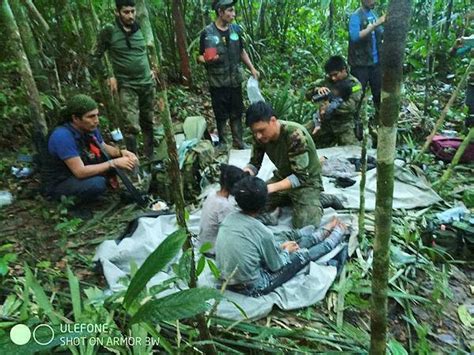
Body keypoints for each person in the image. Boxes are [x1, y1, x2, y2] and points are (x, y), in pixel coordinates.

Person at [215, 176, 347, 297]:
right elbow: (276, 266)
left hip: (228, 281)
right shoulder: (262, 232)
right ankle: (334, 236)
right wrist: (285, 252)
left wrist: (281, 248)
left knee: (288, 244)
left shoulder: (229, 219)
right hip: (252, 286)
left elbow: (252, 247)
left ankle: (321, 234)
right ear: (263, 204)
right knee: (301, 256)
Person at [41, 94, 138, 206]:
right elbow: (80, 172)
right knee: (97, 184)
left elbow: (104, 147)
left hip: (79, 168)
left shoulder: (89, 128)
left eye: (97, 115)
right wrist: (113, 163)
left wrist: (121, 153)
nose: (96, 120)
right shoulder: (62, 136)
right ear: (75, 118)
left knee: (113, 160)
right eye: (91, 117)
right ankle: (72, 203)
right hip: (61, 181)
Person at [91, 0, 156, 159]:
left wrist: (154, 67)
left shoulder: (142, 26)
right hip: (127, 85)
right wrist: (108, 76)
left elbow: (153, 46)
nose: (130, 15)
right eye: (126, 12)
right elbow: (94, 56)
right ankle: (133, 163)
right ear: (117, 12)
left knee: (149, 122)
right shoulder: (110, 31)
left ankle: (151, 158)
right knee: (131, 126)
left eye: (132, 11)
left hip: (147, 83)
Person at [244, 101, 324, 228]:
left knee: (306, 226)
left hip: (307, 182)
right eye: (254, 132)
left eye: (261, 130)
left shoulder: (295, 135)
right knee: (249, 204)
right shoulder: (260, 136)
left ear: (273, 120)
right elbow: (254, 163)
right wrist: (245, 174)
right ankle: (288, 199)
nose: (258, 136)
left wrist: (269, 188)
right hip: (283, 176)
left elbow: (301, 177)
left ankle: (320, 199)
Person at [197, 0, 259, 149]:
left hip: (235, 80)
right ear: (220, 12)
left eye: (233, 11)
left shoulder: (236, 30)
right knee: (220, 114)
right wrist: (207, 59)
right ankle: (223, 143)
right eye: (230, 11)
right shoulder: (207, 32)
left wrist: (252, 68)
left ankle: (239, 141)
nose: (233, 14)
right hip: (218, 82)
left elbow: (241, 51)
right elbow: (199, 57)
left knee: (237, 113)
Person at [308, 56, 363, 147]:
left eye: (335, 74)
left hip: (345, 125)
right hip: (325, 123)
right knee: (300, 135)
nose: (333, 78)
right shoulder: (327, 80)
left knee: (352, 153)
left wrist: (328, 107)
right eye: (330, 75)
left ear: (344, 70)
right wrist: (317, 90)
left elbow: (350, 107)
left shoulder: (354, 84)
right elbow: (307, 93)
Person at [348, 0, 385, 123]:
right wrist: (373, 26)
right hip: (360, 65)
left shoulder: (373, 14)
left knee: (378, 93)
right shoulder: (355, 16)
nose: (374, 1)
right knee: (358, 93)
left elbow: (380, 34)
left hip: (375, 64)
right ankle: (355, 122)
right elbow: (354, 37)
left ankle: (378, 121)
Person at [198, 164, 247, 254]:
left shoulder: (212, 194)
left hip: (203, 243)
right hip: (212, 249)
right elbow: (232, 230)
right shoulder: (224, 206)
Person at [450, 13, 474, 129]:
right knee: (470, 111)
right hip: (473, 82)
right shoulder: (472, 41)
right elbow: (453, 54)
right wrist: (455, 46)